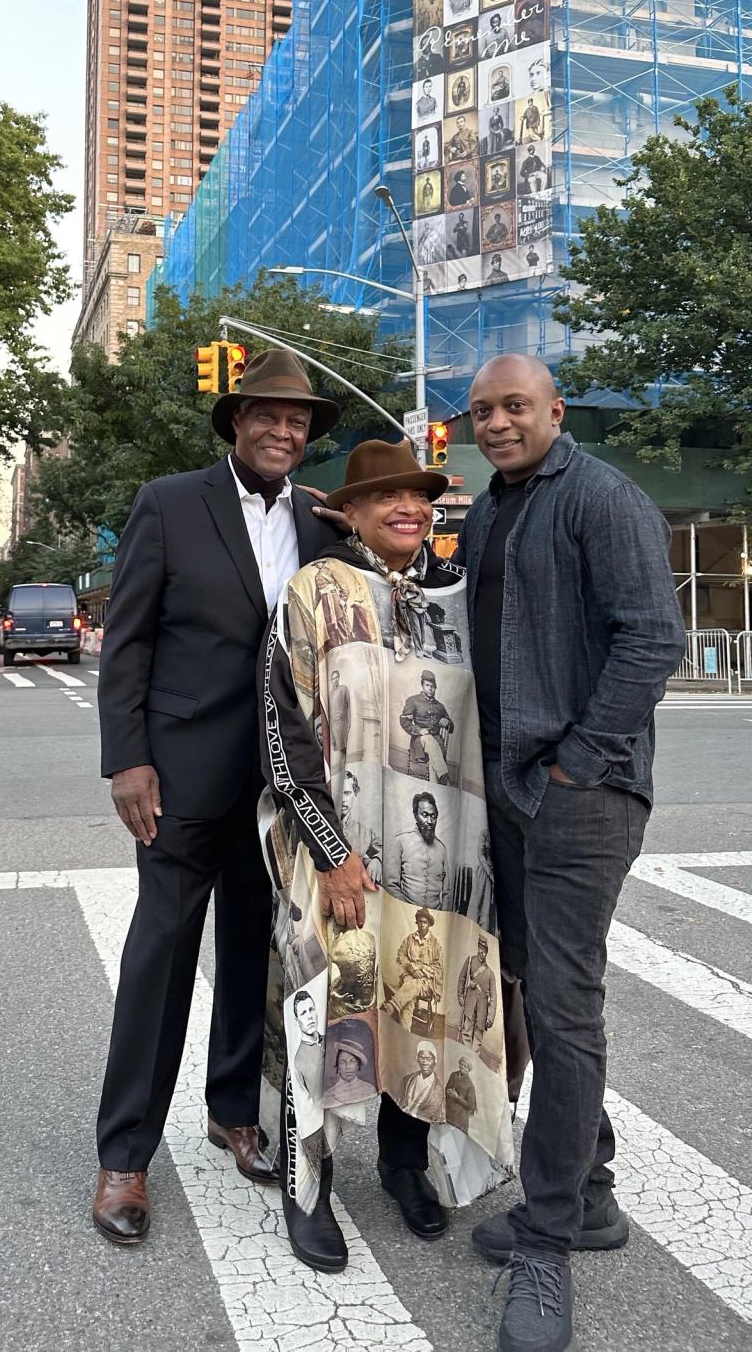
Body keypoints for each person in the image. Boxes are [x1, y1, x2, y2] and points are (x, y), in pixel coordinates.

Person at [456, 355, 687, 1352]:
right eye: (481, 412)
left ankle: (546, 1241)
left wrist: (578, 764)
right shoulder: (488, 510)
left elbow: (651, 640)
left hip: (577, 797)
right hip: (509, 792)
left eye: (513, 407)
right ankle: (585, 1190)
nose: (496, 424)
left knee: (561, 1002)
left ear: (554, 410)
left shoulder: (601, 498)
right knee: (533, 989)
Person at [91, 350, 342, 1246]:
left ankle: (235, 1109)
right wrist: (128, 757)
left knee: (251, 953)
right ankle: (124, 1154)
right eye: (269, 415)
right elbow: (128, 641)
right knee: (160, 956)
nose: (284, 431)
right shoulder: (168, 502)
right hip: (181, 773)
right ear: (237, 420)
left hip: (278, 788)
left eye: (299, 420)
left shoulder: (320, 519)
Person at [260, 438, 512, 1272]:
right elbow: (280, 727)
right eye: (387, 497)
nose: (408, 508)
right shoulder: (315, 591)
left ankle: (405, 1165)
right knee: (326, 1010)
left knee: (426, 1009)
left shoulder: (459, 596)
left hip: (443, 867)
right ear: (350, 511)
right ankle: (311, 1183)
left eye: (419, 496)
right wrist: (329, 852)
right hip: (343, 864)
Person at [390, 793, 451, 908]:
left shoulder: (442, 849)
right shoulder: (401, 842)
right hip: (406, 914)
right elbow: (391, 885)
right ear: (415, 815)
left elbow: (447, 893)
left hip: (435, 918)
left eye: (433, 816)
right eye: (425, 815)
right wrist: (407, 911)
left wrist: (441, 918)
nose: (429, 821)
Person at [458, 933, 498, 1045]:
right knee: (466, 1031)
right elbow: (462, 979)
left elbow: (494, 997)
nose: (481, 952)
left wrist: (490, 1016)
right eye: (480, 948)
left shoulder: (490, 973)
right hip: (470, 1002)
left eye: (484, 950)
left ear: (487, 952)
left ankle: (473, 1058)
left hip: (483, 1008)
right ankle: (465, 1053)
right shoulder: (470, 961)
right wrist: (460, 996)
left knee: (478, 1037)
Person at [446, 1054, 477, 1132]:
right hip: (449, 1113)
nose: (462, 1067)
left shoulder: (470, 1084)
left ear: (468, 1070)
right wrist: (448, 1091)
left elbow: (471, 1106)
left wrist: (457, 1097)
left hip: (460, 1117)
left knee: (458, 1139)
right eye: (461, 1064)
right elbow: (447, 1088)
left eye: (465, 1066)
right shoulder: (453, 1075)